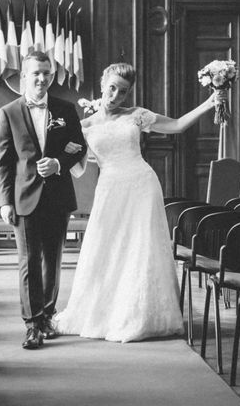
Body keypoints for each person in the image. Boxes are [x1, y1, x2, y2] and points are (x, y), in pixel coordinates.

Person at [55, 62, 217, 342]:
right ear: (103, 83)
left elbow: (177, 125)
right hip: (109, 188)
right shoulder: (84, 126)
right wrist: (63, 149)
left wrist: (209, 104)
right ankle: (105, 314)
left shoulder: (137, 116)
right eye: (112, 88)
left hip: (142, 185)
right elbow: (75, 165)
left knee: (140, 248)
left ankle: (138, 316)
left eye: (123, 92)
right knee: (105, 247)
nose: (116, 96)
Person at [0, 51, 87, 349]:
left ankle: (48, 314)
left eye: (46, 73)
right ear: (24, 76)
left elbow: (79, 147)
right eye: (36, 73)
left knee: (53, 260)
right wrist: (5, 202)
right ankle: (32, 324)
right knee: (29, 261)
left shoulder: (66, 109)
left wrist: (59, 162)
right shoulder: (8, 113)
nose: (42, 78)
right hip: (24, 197)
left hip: (58, 196)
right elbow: (4, 163)